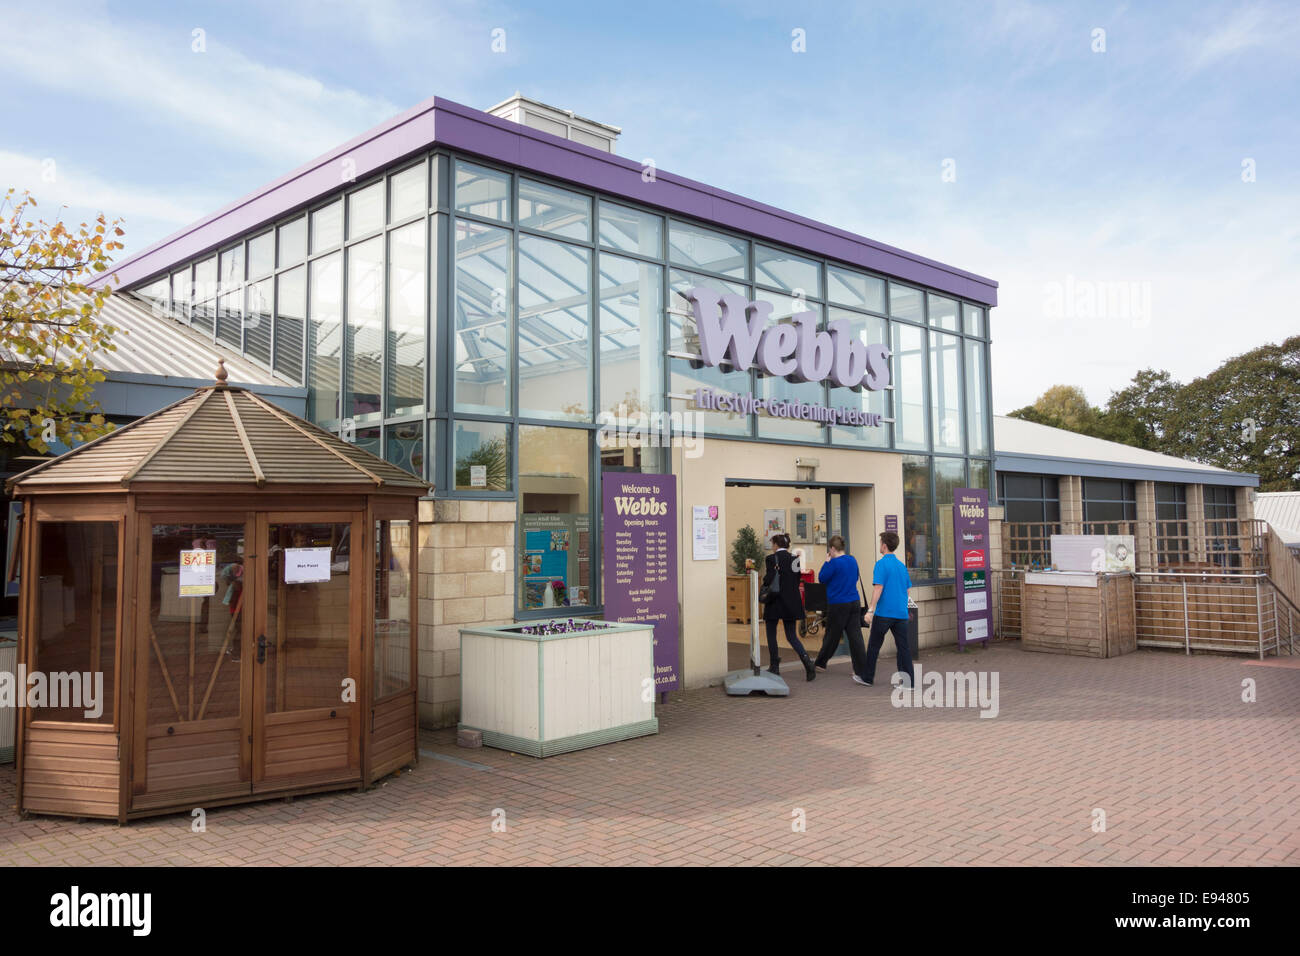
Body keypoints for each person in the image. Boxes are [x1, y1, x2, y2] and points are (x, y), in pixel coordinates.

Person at [813, 535, 871, 685]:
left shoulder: (833, 563)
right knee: (855, 636)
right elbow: (856, 577)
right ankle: (861, 669)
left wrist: (826, 562)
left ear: (832, 549)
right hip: (854, 602)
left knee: (832, 634)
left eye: (829, 550)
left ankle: (820, 663)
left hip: (838, 604)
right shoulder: (852, 560)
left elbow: (822, 578)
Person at [862, 530, 915, 687]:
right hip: (901, 613)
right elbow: (907, 590)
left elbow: (878, 588)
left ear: (884, 546)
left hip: (884, 613)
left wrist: (870, 610)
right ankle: (908, 682)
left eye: (880, 543)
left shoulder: (881, 564)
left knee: (874, 646)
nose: (880, 545)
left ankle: (867, 677)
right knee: (903, 648)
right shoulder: (901, 566)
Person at [761, 533, 814, 680]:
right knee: (791, 636)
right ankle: (808, 663)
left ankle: (774, 667)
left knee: (771, 634)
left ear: (776, 545)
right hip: (791, 602)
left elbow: (769, 579)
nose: (772, 547)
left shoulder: (771, 559)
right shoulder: (795, 559)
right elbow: (797, 579)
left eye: (772, 544)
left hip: (774, 601)